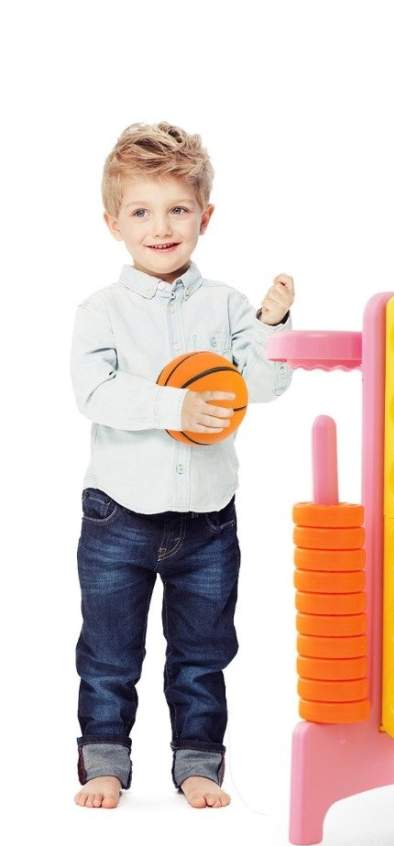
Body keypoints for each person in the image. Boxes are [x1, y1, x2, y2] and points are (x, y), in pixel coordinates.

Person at [71, 121, 295, 809]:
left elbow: (265, 386)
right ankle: (104, 761)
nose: (161, 227)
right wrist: (176, 405)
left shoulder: (226, 305)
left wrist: (271, 327)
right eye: (141, 212)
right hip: (118, 516)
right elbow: (95, 393)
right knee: (109, 653)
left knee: (203, 653)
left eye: (178, 209)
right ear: (113, 223)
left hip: (207, 522)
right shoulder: (102, 311)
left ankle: (198, 762)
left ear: (205, 215)